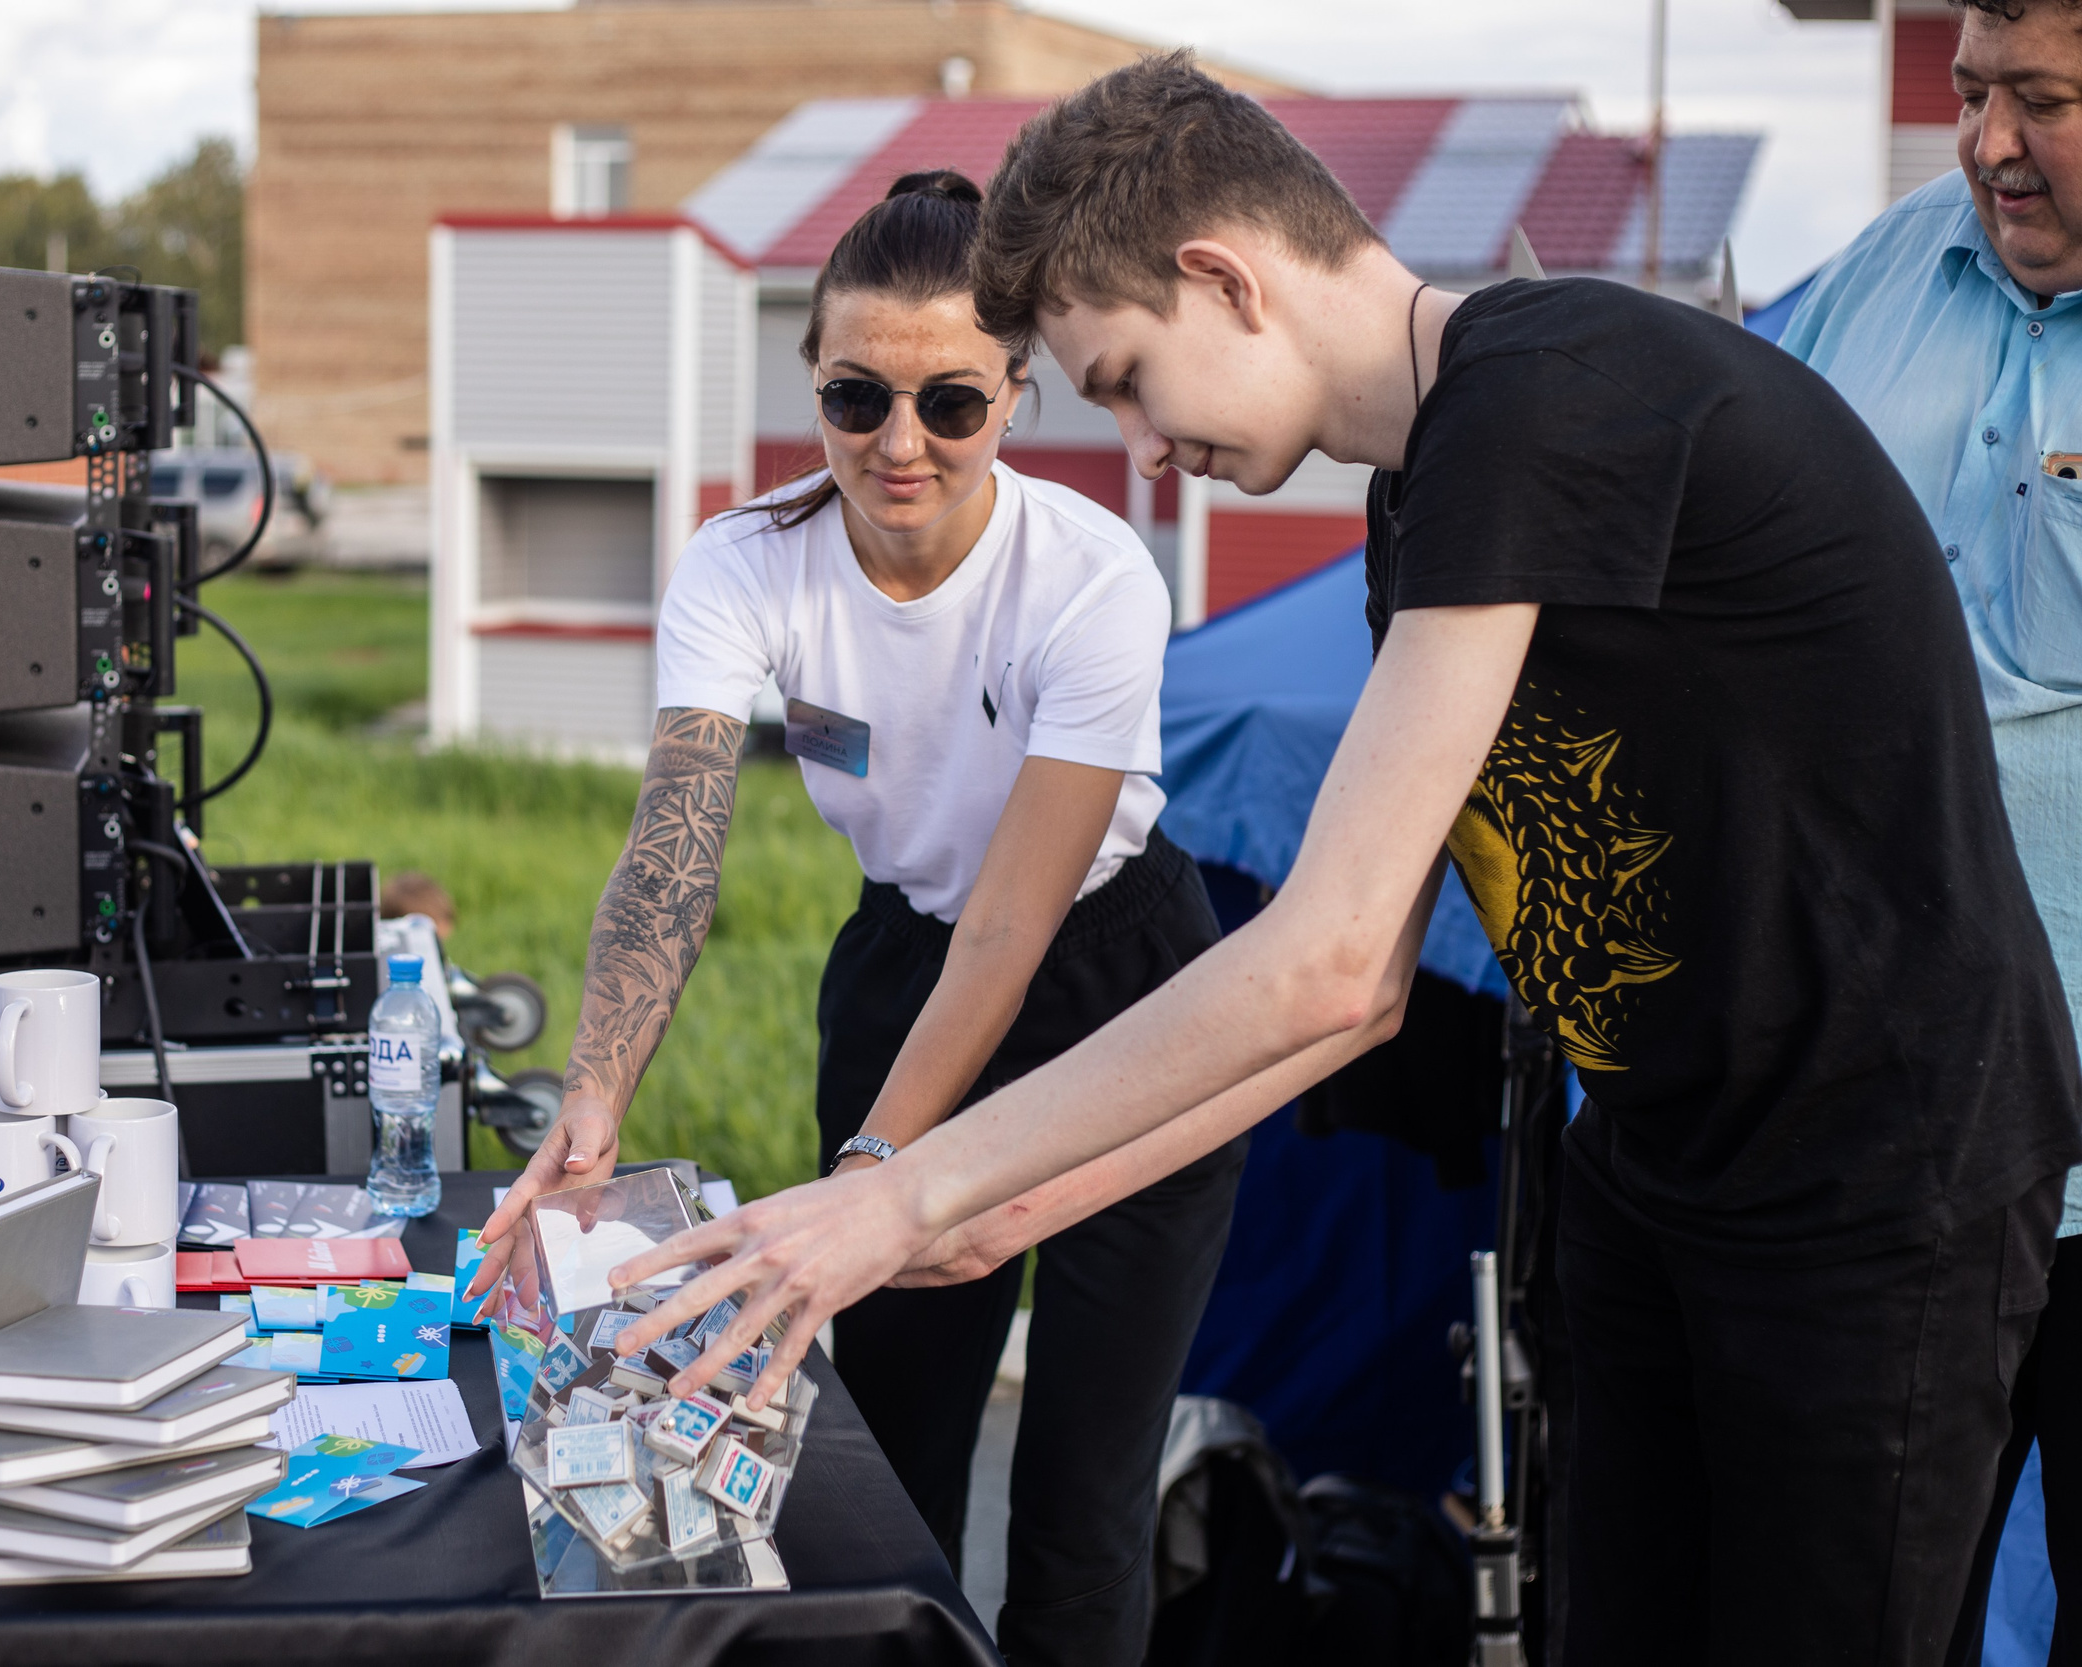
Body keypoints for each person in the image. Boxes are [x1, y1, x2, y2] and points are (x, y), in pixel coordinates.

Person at [605, 54, 2082, 1665]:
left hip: (1879, 1175)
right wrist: (1030, 1197)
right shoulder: (1418, 504)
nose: (1142, 450)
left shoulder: (1546, 387)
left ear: (1223, 278)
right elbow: (1366, 993)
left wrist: (891, 1200)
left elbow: (1316, 943)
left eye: (1125, 378)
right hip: (1658, 1163)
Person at [473, 170, 1248, 1662]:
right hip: (903, 961)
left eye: (950, 402)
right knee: (882, 1457)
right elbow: (673, 851)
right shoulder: (745, 560)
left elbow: (1017, 925)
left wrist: (879, 1175)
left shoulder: (1091, 579)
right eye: (857, 397)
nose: (900, 446)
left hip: (1116, 983)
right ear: (814, 388)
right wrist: (594, 1086)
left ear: (1017, 394)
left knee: (1082, 1506)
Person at [1782, 2, 2082, 1657]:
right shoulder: (1886, 271)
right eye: (1972, 90)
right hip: (1886, 1147)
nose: (1983, 144)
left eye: (2040, 101)